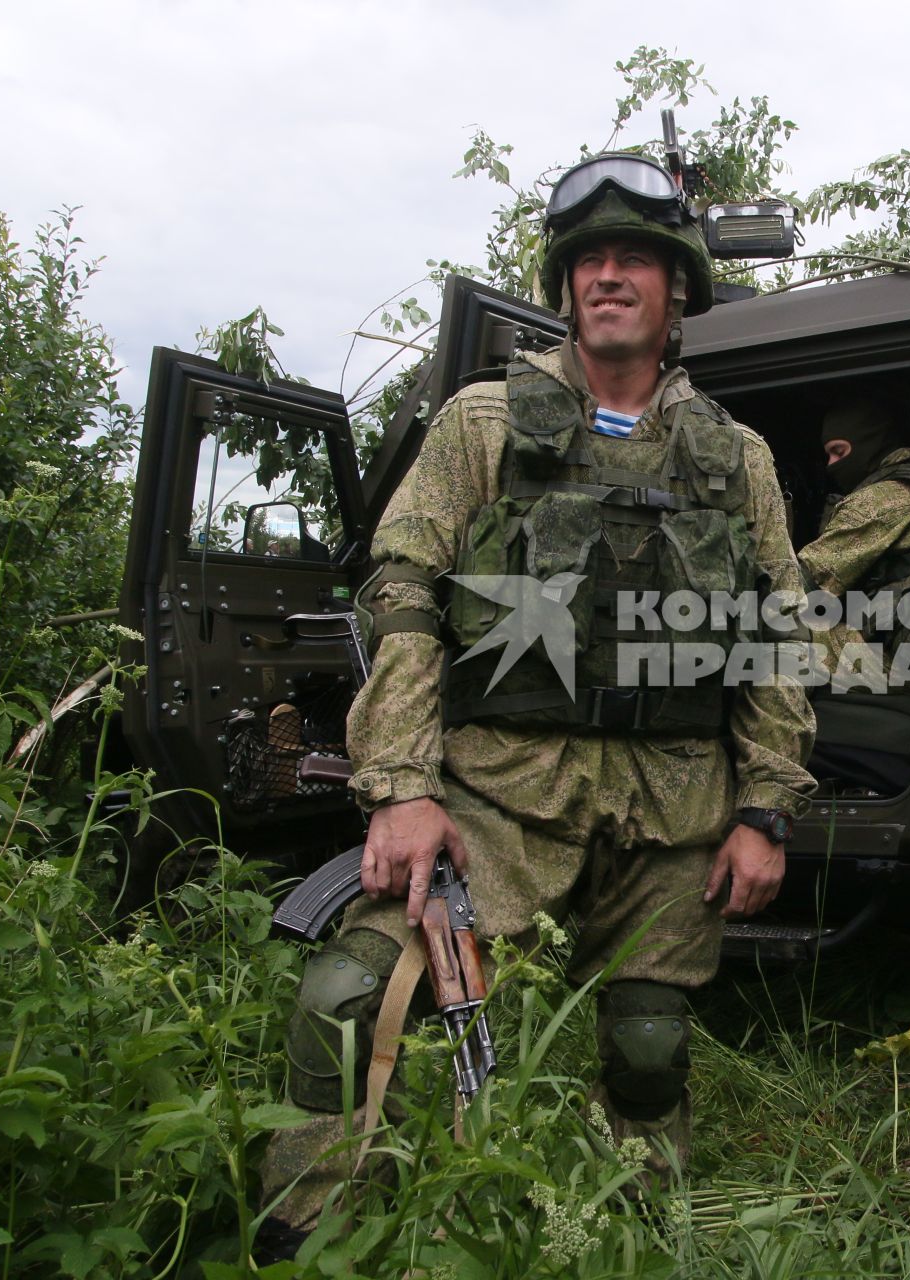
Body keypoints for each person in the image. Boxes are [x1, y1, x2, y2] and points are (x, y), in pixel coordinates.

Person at [255, 150, 815, 1255]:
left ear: (679, 291)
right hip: (501, 791)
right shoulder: (484, 424)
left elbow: (775, 633)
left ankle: (632, 1238)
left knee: (649, 1048)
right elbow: (404, 586)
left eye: (636, 261)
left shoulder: (734, 457)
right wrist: (403, 786)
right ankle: (312, 1232)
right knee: (349, 987)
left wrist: (766, 809)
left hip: (674, 803)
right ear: (566, 287)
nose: (609, 277)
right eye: (589, 260)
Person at [796, 398, 910, 792]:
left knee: (768, 638)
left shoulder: (884, 498)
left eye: (839, 452)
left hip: (891, 663)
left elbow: (801, 580)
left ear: (870, 442)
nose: (831, 467)